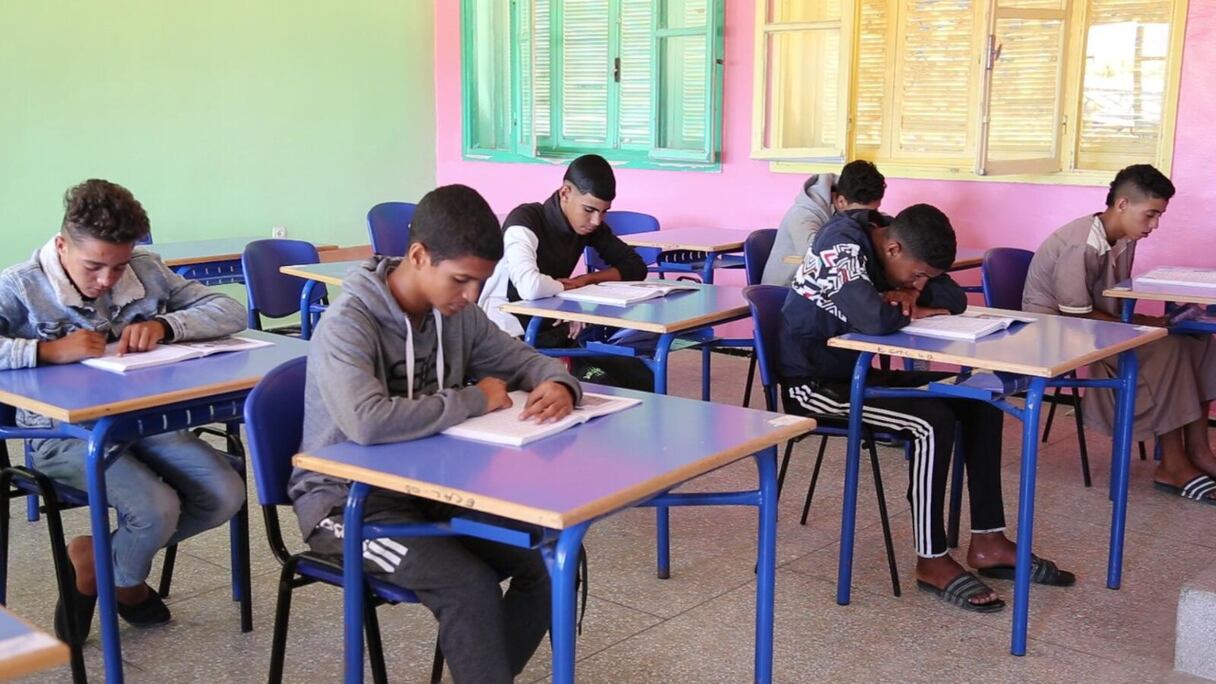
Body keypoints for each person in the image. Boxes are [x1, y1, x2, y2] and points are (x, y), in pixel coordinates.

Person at [287, 184, 581, 683]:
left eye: (480, 283)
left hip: (431, 489)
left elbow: (524, 361)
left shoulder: (458, 315)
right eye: (461, 280)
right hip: (345, 505)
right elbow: (367, 421)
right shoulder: (348, 324)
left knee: (550, 558)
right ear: (419, 256)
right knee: (468, 587)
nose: (471, 296)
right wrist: (475, 399)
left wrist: (559, 383)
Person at [778, 203, 1075, 613]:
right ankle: (931, 558)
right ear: (893, 249)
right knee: (931, 422)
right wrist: (902, 303)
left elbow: (954, 297)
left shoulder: (896, 239)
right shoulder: (840, 244)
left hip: (860, 375)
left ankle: (988, 540)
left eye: (925, 277)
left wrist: (910, 292)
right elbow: (875, 319)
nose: (920, 282)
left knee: (980, 400)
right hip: (814, 386)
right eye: (917, 274)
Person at [0, 179, 247, 640]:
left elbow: (230, 310)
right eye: (94, 266)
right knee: (156, 508)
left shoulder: (146, 269)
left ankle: (99, 562)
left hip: (144, 421)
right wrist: (45, 351)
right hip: (65, 435)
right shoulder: (21, 286)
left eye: (118, 266)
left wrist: (165, 325)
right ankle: (128, 584)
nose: (106, 280)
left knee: (225, 494)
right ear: (62, 246)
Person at [1023, 164, 1216, 504]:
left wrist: (1145, 321)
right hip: (1057, 334)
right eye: (1150, 215)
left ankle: (1199, 451)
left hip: (1093, 325)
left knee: (1198, 341)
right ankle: (1173, 465)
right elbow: (1076, 315)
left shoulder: (1123, 237)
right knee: (1168, 349)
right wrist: (1142, 326)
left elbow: (1109, 304)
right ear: (1123, 204)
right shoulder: (1081, 244)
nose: (1154, 225)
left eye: (1159, 216)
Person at [478, 154, 654, 390]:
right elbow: (530, 287)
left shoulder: (587, 226)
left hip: (553, 327)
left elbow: (634, 266)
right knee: (598, 383)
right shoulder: (525, 220)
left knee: (642, 378)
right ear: (565, 193)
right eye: (589, 210)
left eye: (603, 212)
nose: (596, 220)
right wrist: (565, 288)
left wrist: (586, 280)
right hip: (509, 333)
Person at [760, 160, 886, 286]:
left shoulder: (850, 198)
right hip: (784, 289)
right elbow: (822, 258)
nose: (867, 217)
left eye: (875, 209)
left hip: (823, 285)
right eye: (862, 212)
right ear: (841, 202)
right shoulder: (802, 215)